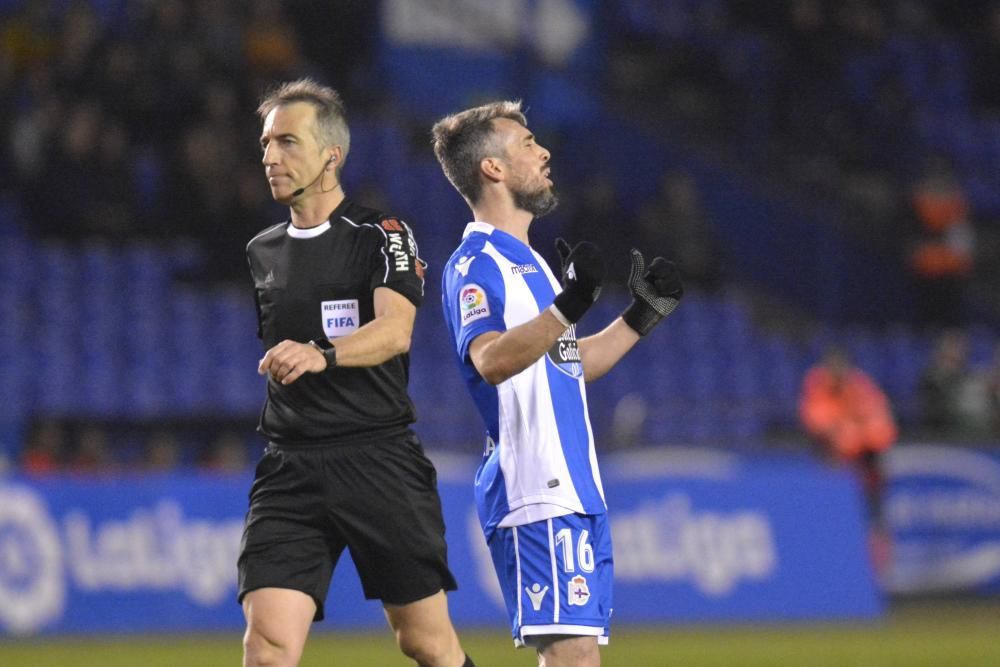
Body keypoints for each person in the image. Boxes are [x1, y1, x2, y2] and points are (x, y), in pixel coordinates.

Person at [431, 101, 684, 666]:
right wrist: (567, 307)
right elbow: (491, 358)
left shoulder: (535, 264)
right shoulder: (474, 264)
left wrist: (640, 316)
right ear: (491, 168)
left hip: (572, 485)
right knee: (573, 660)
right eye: (526, 143)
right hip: (534, 489)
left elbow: (568, 361)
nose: (543, 151)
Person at [238, 79, 474, 667]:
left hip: (376, 458)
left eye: (287, 142)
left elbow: (396, 331)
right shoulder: (261, 250)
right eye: (266, 143)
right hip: (289, 466)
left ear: (330, 156)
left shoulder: (383, 236)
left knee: (425, 643)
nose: (270, 156)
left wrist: (323, 352)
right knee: (267, 647)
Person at [798, 345, 897, 576]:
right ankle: (829, 567)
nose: (838, 373)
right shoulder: (817, 387)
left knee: (874, 521)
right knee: (829, 522)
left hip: (866, 467)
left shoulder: (862, 388)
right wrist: (850, 432)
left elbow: (881, 428)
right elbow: (818, 423)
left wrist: (853, 433)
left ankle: (876, 573)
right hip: (831, 468)